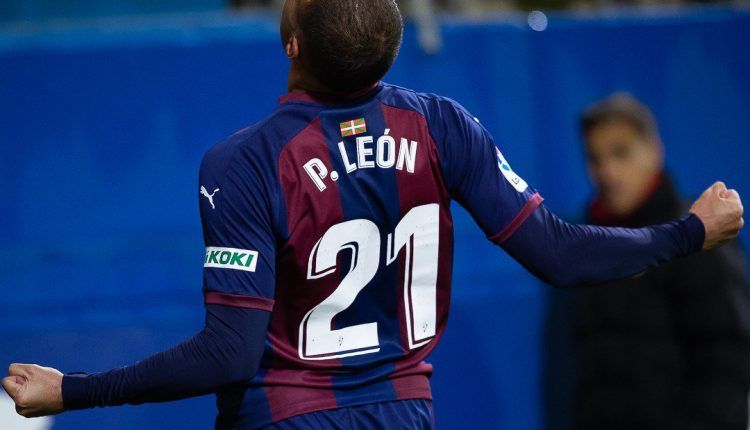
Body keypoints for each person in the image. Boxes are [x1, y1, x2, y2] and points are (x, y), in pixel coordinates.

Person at [1, 1, 744, 429]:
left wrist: (75, 389)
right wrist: (690, 231)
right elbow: (560, 254)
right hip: (403, 416)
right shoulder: (441, 126)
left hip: (288, 419)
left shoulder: (245, 163)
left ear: (291, 43)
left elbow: (228, 355)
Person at [550, 93, 750, 430]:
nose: (607, 171)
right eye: (595, 158)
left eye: (621, 152)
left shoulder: (699, 238)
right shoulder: (587, 241)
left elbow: (728, 362)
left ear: (654, 149)